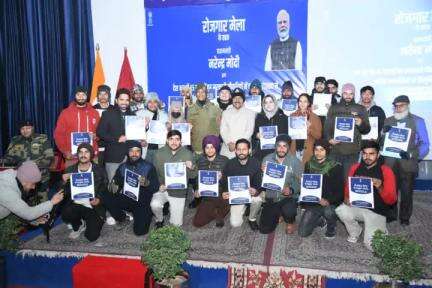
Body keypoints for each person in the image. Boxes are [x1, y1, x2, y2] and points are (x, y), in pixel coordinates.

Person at [336, 141, 397, 250]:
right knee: (341, 210)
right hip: (358, 206)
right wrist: (346, 198)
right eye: (365, 153)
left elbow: (392, 200)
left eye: (371, 154)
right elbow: (347, 188)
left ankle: (382, 230)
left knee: (372, 246)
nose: (367, 157)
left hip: (376, 211)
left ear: (378, 155)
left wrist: (380, 187)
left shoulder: (386, 171)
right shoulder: (355, 167)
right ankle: (356, 231)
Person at [381, 95, 429, 225]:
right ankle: (391, 215)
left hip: (408, 163)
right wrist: (383, 135)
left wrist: (413, 156)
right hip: (390, 162)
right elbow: (382, 143)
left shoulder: (418, 121)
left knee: (407, 193)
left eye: (401, 105)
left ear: (407, 105)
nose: (398, 108)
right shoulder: (388, 120)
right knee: (390, 190)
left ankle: (404, 218)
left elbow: (425, 144)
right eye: (396, 106)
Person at [102, 141, 159, 235]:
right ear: (127, 152)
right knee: (105, 195)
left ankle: (147, 214)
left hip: (143, 201)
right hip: (127, 198)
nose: (134, 154)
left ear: (141, 153)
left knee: (140, 232)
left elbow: (155, 187)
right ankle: (123, 218)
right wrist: (113, 187)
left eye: (137, 151)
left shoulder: (149, 167)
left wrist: (147, 183)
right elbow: (115, 184)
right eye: (131, 151)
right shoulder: (122, 167)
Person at [61, 143, 108, 241]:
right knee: (66, 212)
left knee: (91, 237)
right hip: (76, 204)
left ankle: (97, 220)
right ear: (77, 155)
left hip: (93, 206)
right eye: (80, 152)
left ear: (91, 154)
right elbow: (63, 193)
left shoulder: (99, 170)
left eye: (86, 152)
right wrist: (64, 182)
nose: (83, 155)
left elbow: (105, 188)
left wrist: (98, 199)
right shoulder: (70, 170)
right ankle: (79, 224)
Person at [298, 140, 344, 238]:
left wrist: (328, 201)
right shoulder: (309, 164)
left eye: (322, 150)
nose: (318, 153)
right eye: (316, 150)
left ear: (327, 151)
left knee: (328, 212)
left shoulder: (336, 166)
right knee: (302, 233)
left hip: (329, 203)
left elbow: (340, 193)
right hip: (314, 202)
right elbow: (307, 187)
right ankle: (321, 220)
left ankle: (332, 226)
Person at [324, 83, 370, 179]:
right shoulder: (333, 108)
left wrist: (361, 123)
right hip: (335, 150)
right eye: (345, 93)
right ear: (342, 93)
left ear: (354, 94)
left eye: (351, 94)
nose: (348, 96)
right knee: (333, 178)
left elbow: (366, 130)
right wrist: (329, 139)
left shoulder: (361, 109)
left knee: (347, 180)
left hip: (352, 152)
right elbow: (327, 127)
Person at [151, 130, 196, 227]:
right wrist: (159, 185)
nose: (174, 142)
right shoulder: (158, 154)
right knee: (154, 204)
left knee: (176, 224)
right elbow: (153, 174)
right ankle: (160, 219)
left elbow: (193, 176)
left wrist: (192, 167)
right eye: (171, 139)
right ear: (167, 140)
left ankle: (171, 207)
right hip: (163, 189)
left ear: (181, 141)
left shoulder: (188, 154)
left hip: (178, 191)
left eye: (177, 139)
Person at [259, 135, 302, 234]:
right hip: (272, 196)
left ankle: (290, 221)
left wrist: (291, 190)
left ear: (288, 147)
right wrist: (262, 173)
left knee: (289, 210)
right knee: (264, 229)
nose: (281, 149)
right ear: (275, 146)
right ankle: (279, 214)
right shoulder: (267, 159)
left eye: (284, 146)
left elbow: (301, 182)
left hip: (287, 197)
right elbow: (261, 183)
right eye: (279, 146)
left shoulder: (295, 162)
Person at [4, 120, 54, 199]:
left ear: (32, 128)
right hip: (21, 179)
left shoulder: (42, 139)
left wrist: (29, 165)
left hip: (40, 177)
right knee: (22, 201)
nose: (25, 131)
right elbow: (8, 158)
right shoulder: (15, 140)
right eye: (22, 129)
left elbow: (49, 158)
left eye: (28, 128)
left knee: (42, 201)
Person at [221, 139, 263, 230]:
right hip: (237, 196)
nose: (241, 152)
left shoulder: (256, 163)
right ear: (235, 151)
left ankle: (252, 218)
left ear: (249, 150)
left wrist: (255, 190)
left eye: (244, 149)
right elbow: (224, 181)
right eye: (239, 149)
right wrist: (224, 192)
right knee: (235, 223)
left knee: (258, 199)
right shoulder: (230, 164)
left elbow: (259, 183)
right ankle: (246, 207)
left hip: (252, 194)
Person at [54, 86, 100, 167]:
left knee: (93, 179)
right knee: (73, 179)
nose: (81, 97)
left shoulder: (95, 113)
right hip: (72, 157)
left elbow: (100, 132)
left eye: (83, 95)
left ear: (87, 96)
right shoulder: (65, 113)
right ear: (74, 96)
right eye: (78, 95)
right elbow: (59, 135)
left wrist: (96, 136)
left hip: (92, 157)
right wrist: (65, 151)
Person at [96, 88, 136, 182]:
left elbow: (136, 134)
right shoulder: (107, 114)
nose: (124, 102)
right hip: (113, 157)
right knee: (113, 185)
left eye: (127, 100)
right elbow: (100, 132)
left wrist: (144, 127)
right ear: (116, 100)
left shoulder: (133, 115)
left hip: (130, 156)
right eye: (122, 99)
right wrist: (116, 139)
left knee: (129, 185)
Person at [192, 135, 229, 228]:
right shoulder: (200, 160)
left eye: (212, 147)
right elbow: (197, 178)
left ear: (216, 147)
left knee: (223, 201)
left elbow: (230, 180)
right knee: (197, 223)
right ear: (204, 148)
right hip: (207, 195)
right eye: (207, 147)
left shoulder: (225, 160)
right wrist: (197, 190)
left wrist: (222, 178)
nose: (209, 150)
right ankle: (215, 212)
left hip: (221, 194)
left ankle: (219, 214)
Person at [220, 88, 256, 159]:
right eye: (235, 98)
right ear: (232, 100)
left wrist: (237, 145)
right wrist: (228, 143)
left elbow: (249, 131)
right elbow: (223, 130)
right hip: (228, 149)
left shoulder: (251, 113)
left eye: (239, 98)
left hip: (243, 149)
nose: (237, 100)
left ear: (243, 100)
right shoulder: (225, 113)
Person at [187, 83, 221, 154]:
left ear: (206, 93)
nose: (200, 94)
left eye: (203, 92)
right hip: (197, 148)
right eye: (198, 92)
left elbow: (219, 128)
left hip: (212, 149)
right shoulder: (191, 110)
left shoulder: (215, 109)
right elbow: (188, 129)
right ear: (195, 94)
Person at [136, 92, 169, 164]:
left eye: (155, 102)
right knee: (146, 173)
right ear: (146, 103)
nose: (152, 104)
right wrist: (140, 141)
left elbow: (168, 134)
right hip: (145, 150)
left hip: (160, 150)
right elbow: (134, 133)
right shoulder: (139, 114)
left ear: (158, 103)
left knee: (158, 173)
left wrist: (168, 128)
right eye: (150, 102)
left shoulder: (164, 115)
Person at [253, 94, 288, 161]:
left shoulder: (283, 118)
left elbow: (286, 136)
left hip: (278, 153)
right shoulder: (259, 117)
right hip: (262, 153)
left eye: (271, 102)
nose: (268, 104)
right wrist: (257, 135)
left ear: (275, 103)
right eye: (265, 102)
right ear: (263, 105)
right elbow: (254, 133)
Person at [289, 93, 322, 164]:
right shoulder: (292, 116)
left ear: (309, 103)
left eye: (305, 101)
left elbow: (318, 136)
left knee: (305, 172)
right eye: (300, 101)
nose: (302, 103)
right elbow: (289, 134)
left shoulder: (315, 117)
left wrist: (309, 128)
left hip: (307, 151)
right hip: (294, 149)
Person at [93, 85, 114, 166]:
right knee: (98, 171)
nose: (102, 96)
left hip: (111, 146)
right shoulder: (92, 109)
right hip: (97, 146)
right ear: (97, 96)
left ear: (109, 96)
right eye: (100, 94)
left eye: (105, 94)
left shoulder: (114, 109)